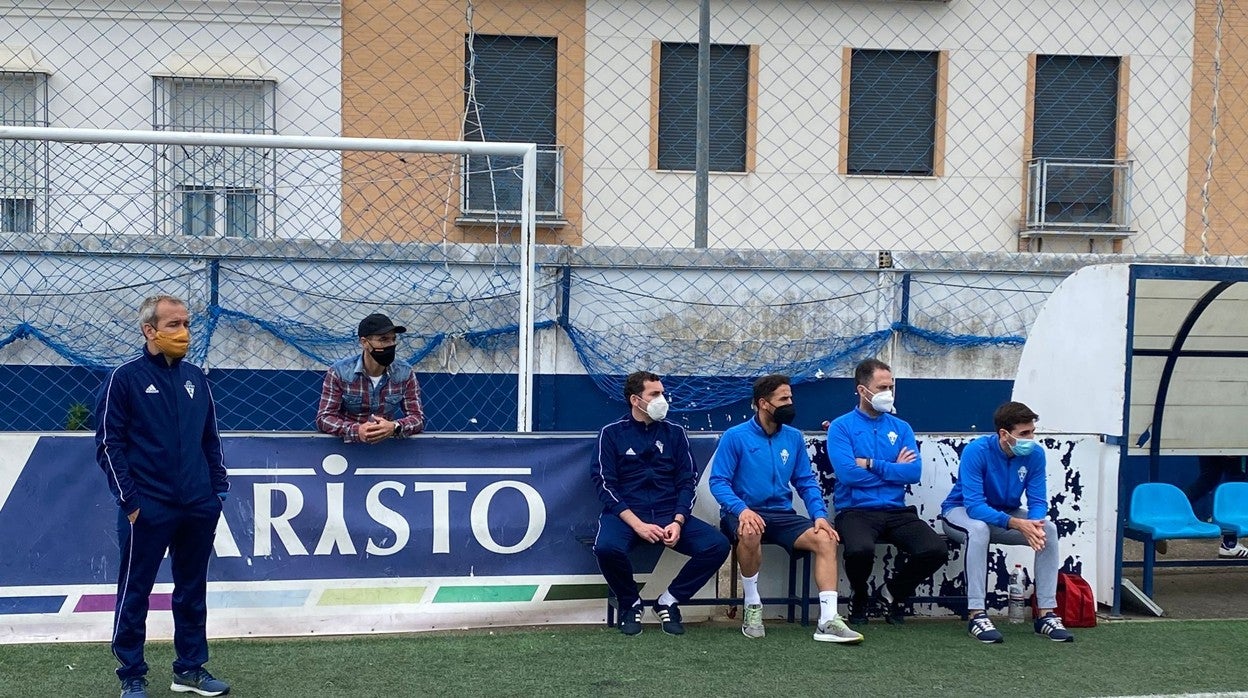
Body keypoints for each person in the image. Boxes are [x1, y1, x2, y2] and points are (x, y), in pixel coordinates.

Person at [95, 295, 232, 698]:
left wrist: (217, 492)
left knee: (192, 590)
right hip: (147, 508)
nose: (184, 333)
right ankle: (132, 674)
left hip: (198, 504)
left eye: (186, 324)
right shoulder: (124, 379)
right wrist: (132, 503)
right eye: (173, 325)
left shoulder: (196, 378)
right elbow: (108, 445)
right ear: (149, 331)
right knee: (135, 591)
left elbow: (211, 440)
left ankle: (189, 669)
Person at [709, 374, 863, 644]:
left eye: (791, 398)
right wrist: (742, 510)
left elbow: (805, 482)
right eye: (784, 399)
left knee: (826, 537)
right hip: (742, 513)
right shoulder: (735, 437)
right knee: (750, 532)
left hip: (782, 515)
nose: (790, 404)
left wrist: (819, 516)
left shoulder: (793, 438)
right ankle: (752, 606)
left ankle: (828, 620)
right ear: (763, 403)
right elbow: (718, 482)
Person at [591, 371, 731, 635]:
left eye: (662, 393)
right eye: (654, 394)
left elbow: (687, 481)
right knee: (606, 548)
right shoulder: (610, 434)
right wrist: (638, 525)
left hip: (669, 514)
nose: (662, 399)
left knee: (717, 545)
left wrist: (678, 521)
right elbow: (604, 484)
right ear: (635, 400)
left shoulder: (675, 433)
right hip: (627, 515)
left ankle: (669, 601)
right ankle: (630, 603)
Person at [940, 401, 1075, 644]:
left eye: (1033, 431)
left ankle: (1046, 614)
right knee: (979, 530)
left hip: (1006, 514)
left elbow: (1037, 500)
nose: (1031, 438)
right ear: (1004, 434)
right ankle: (977, 615)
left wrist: (1033, 524)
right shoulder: (976, 451)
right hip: (960, 513)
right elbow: (974, 506)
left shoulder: (1035, 454)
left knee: (1050, 530)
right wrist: (1016, 523)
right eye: (1024, 433)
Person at [826, 359, 948, 625]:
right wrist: (893, 471)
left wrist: (871, 464)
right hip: (855, 511)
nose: (888, 394)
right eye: (882, 387)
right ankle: (859, 596)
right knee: (859, 551)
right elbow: (848, 475)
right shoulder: (841, 427)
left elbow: (913, 474)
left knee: (935, 549)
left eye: (890, 387)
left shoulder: (901, 427)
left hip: (896, 510)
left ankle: (892, 592)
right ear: (862, 390)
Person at [316, 312, 425, 442]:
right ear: (365, 343)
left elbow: (417, 418)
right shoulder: (339, 372)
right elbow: (324, 418)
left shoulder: (405, 373)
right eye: (383, 340)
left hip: (387, 446)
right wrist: (356, 430)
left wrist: (394, 427)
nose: (390, 344)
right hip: (348, 447)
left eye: (393, 339)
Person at [1181, 455, 1248, 558]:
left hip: (1211, 441)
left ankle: (1165, 515)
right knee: (1235, 481)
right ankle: (1230, 544)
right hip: (1231, 442)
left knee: (1208, 479)